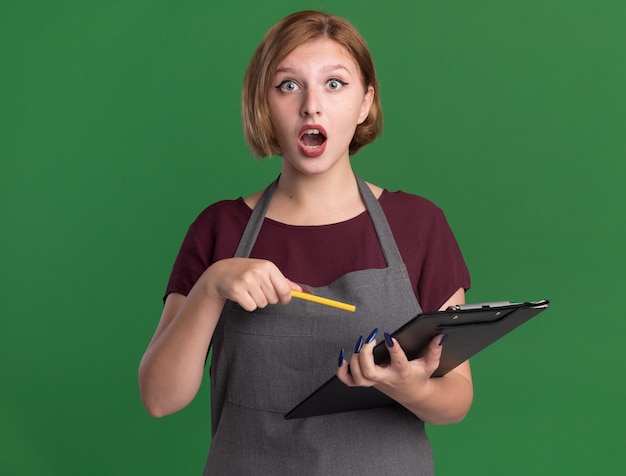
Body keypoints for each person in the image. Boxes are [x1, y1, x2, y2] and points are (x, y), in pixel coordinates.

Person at [139, 10, 473, 475]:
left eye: (334, 84)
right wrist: (212, 285)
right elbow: (159, 398)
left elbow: (456, 399)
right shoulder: (219, 229)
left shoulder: (418, 225)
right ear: (264, 104)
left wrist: (408, 386)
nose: (311, 105)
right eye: (288, 85)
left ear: (364, 104)